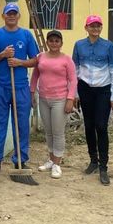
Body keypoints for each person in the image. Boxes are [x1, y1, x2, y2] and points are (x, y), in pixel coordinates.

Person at [0, 3, 39, 175]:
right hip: (1, 86)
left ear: (18, 16)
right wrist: (2, 55)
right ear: (3, 16)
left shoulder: (26, 35)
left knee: (22, 126)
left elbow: (35, 60)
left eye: (14, 13)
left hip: (21, 86)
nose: (12, 16)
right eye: (9, 13)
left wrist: (20, 62)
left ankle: (20, 160)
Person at [72, 15, 113, 186]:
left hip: (103, 90)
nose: (95, 29)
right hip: (85, 89)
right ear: (86, 28)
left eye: (98, 26)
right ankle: (93, 160)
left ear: (101, 28)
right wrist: (75, 93)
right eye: (92, 26)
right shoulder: (79, 45)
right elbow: (75, 69)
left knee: (101, 126)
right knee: (89, 125)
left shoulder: (108, 45)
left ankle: (103, 166)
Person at [30, 29, 77, 179]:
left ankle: (57, 163)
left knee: (58, 132)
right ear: (47, 42)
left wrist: (70, 99)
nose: (54, 43)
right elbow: (35, 75)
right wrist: (32, 92)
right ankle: (51, 159)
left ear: (61, 43)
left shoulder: (66, 59)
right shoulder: (40, 57)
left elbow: (73, 80)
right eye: (51, 41)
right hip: (44, 99)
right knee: (48, 131)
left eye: (57, 41)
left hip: (60, 100)